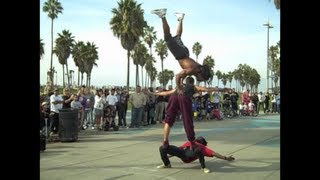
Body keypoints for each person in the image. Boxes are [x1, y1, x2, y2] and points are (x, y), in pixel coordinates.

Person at [155, 76, 228, 151]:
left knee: (168, 120)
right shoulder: (193, 86)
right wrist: (220, 89)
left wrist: (154, 93)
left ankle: (165, 140)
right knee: (187, 120)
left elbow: (166, 93)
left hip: (174, 97)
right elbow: (206, 89)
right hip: (184, 98)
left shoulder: (178, 87)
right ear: (192, 82)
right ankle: (192, 142)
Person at [151, 8, 212, 90]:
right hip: (180, 54)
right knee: (167, 37)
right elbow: (178, 76)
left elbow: (184, 75)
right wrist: (179, 88)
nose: (201, 81)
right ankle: (163, 16)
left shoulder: (197, 68)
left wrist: (182, 82)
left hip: (184, 53)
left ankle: (180, 18)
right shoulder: (193, 70)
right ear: (201, 75)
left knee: (178, 37)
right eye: (202, 79)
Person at [157, 136, 235, 173]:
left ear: (201, 142)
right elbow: (179, 149)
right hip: (183, 154)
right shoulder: (190, 142)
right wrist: (168, 155)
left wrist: (225, 158)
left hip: (188, 157)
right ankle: (167, 164)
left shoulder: (202, 147)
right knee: (163, 147)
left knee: (198, 150)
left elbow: (214, 153)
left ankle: (203, 167)